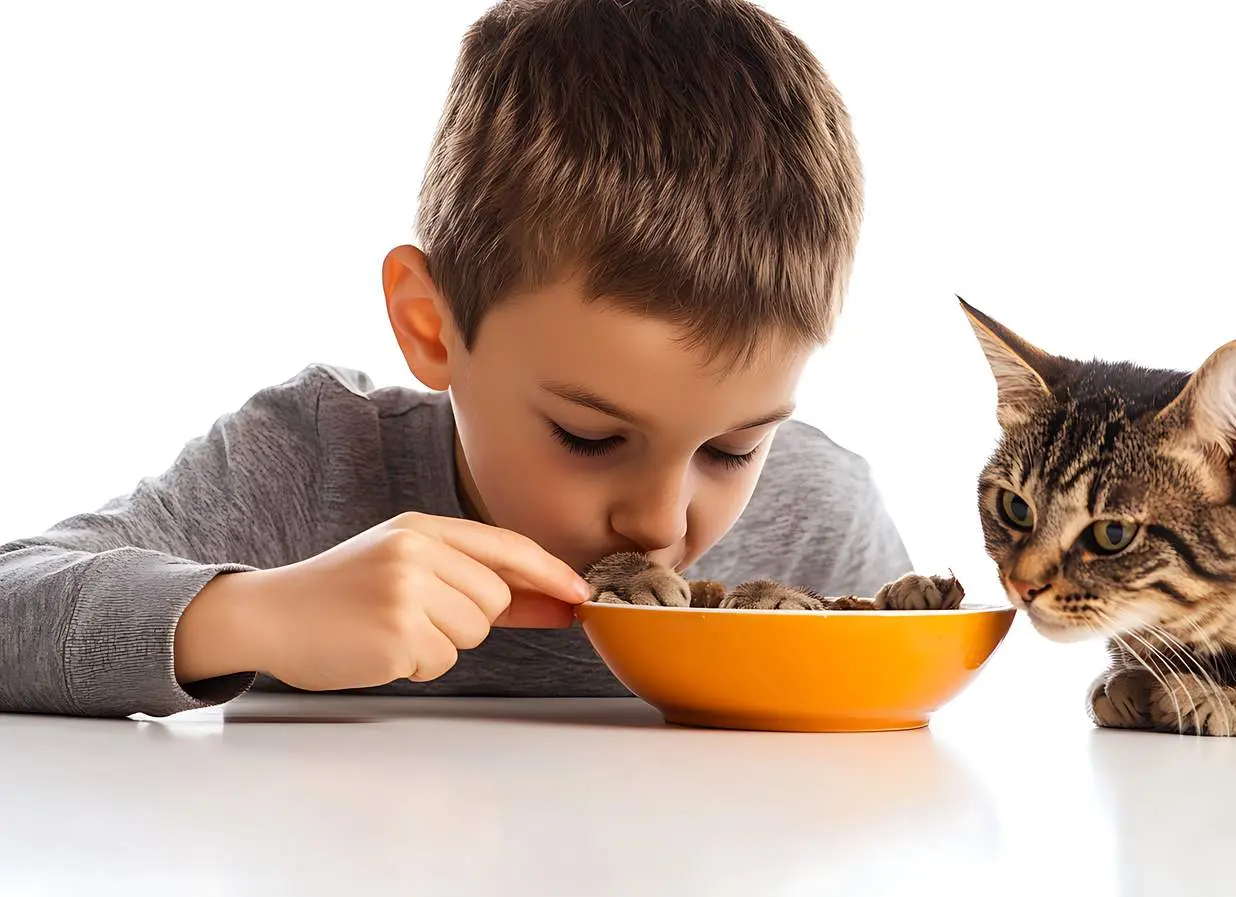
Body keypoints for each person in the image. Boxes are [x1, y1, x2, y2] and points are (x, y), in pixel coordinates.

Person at [0, 0, 912, 718]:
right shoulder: (315, 469)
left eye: (733, 450)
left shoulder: (820, 522)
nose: (659, 521)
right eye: (589, 435)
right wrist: (256, 616)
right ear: (431, 326)